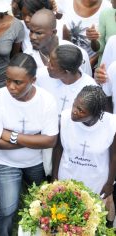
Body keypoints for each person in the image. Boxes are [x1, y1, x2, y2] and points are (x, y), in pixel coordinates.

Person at [0, 53, 59, 236]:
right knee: (8, 209)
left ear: (33, 80)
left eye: (18, 82)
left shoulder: (46, 101)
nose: (10, 86)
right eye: (7, 80)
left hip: (36, 163)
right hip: (5, 162)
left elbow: (50, 140)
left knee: (40, 204)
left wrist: (10, 135)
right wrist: (34, 139)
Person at [52, 85, 116, 227]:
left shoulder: (111, 124)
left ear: (96, 113)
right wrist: (54, 176)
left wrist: (109, 183)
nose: (74, 111)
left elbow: (114, 157)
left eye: (80, 110)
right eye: (75, 105)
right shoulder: (64, 118)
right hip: (67, 178)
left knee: (90, 223)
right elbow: (58, 148)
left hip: (96, 182)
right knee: (66, 222)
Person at [25, 9, 91, 76]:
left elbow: (87, 83)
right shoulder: (27, 56)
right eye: (31, 31)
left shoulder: (79, 55)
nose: (32, 37)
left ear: (53, 32)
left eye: (38, 33)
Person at [38, 44, 97, 116]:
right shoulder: (40, 75)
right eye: (49, 60)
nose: (48, 66)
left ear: (66, 71)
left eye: (52, 65)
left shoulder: (91, 90)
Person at [57, 0, 111, 67]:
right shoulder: (65, 2)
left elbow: (108, 46)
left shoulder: (109, 9)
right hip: (63, 60)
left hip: (91, 66)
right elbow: (55, 19)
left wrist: (88, 65)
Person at [89, 0, 116, 64]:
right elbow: (100, 49)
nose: (110, 0)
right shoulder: (105, 14)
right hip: (104, 69)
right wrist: (93, 40)